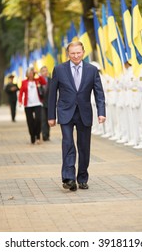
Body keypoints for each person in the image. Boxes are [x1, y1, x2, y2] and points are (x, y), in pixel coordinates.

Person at [48, 41, 106, 191]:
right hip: (65, 112)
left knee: (84, 147)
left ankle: (82, 177)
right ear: (68, 54)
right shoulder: (59, 69)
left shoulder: (92, 70)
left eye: (78, 53)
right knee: (68, 143)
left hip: (84, 113)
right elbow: (52, 94)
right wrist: (51, 116)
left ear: (83, 52)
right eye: (72, 53)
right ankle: (68, 178)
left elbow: (99, 93)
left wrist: (101, 112)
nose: (75, 56)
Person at [18, 67, 47, 144]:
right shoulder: (24, 82)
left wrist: (38, 74)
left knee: (38, 120)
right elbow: (21, 93)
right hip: (28, 105)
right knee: (30, 121)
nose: (31, 74)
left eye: (32, 73)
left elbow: (44, 82)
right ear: (27, 74)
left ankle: (37, 135)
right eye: (29, 73)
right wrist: (20, 101)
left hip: (37, 103)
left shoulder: (37, 80)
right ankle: (32, 135)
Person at [40, 66, 51, 141]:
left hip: (49, 103)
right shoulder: (38, 81)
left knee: (49, 119)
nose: (45, 72)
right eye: (43, 71)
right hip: (41, 103)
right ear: (41, 72)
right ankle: (44, 134)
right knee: (43, 119)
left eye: (46, 70)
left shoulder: (51, 80)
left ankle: (47, 134)